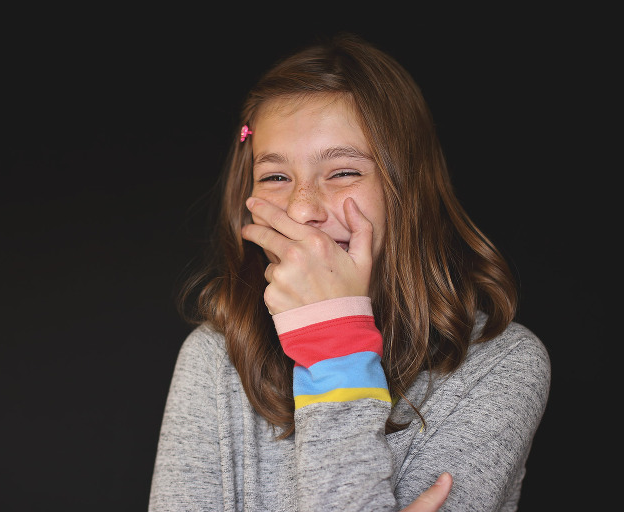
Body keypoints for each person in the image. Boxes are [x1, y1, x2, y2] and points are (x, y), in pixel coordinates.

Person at [149, 32, 550, 511]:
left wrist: (334, 343)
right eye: (276, 176)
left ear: (409, 189)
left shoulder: (501, 366)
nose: (301, 211)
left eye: (343, 172)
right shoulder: (215, 358)